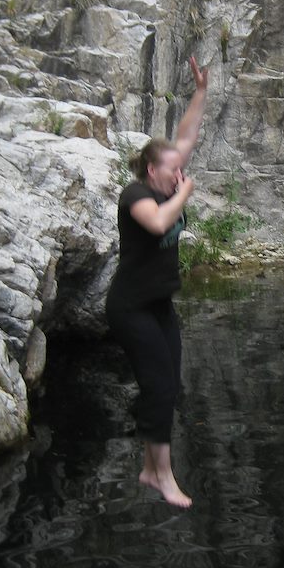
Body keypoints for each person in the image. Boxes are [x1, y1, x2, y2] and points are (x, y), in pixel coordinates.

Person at [104, 56, 209, 509]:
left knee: (168, 386)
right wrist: (185, 193)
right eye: (172, 170)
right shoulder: (139, 196)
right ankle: (162, 476)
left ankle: (151, 467)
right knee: (159, 388)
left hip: (159, 303)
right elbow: (159, 223)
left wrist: (201, 92)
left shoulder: (165, 180)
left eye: (179, 170)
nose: (179, 172)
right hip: (130, 307)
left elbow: (185, 137)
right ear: (152, 172)